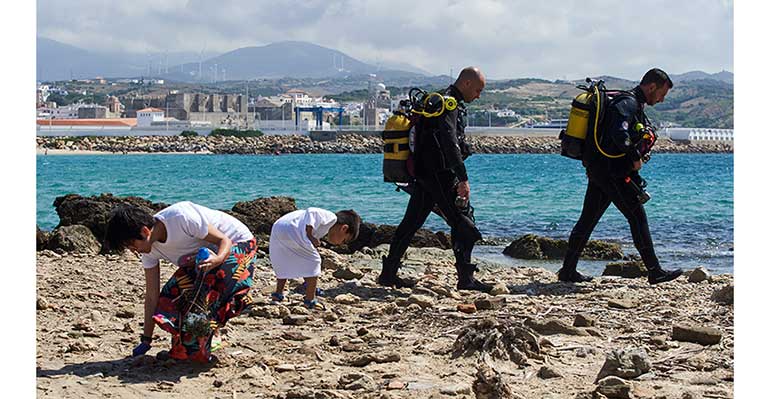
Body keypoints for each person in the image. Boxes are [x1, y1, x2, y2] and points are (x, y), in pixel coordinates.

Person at [558, 68, 683, 285]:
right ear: (651, 86)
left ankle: (568, 270)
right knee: (637, 218)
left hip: (600, 170)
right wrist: (635, 157)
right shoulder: (628, 103)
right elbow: (619, 134)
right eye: (662, 94)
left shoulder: (631, 103)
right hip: (613, 172)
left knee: (587, 220)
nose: (662, 100)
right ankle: (654, 271)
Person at [378, 66, 493, 292]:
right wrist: (462, 178)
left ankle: (388, 274)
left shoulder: (437, 100)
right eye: (478, 90)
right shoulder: (448, 104)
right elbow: (450, 143)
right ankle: (466, 279)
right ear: (467, 83)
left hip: (424, 174)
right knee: (464, 223)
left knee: (411, 223)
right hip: (439, 174)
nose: (478, 95)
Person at [104, 201, 258, 362]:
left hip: (238, 243)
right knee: (172, 292)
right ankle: (194, 343)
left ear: (144, 231)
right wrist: (146, 340)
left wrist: (218, 259)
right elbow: (152, 296)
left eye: (131, 245)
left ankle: (212, 334)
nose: (132, 250)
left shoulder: (181, 217)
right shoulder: (148, 250)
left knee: (210, 288)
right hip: (204, 261)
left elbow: (223, 241)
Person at [269, 208, 360, 308]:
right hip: (294, 229)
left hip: (279, 228)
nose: (340, 244)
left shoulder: (323, 227)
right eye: (344, 240)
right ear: (344, 228)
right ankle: (310, 299)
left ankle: (278, 294)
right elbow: (312, 211)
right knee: (314, 261)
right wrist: (309, 235)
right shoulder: (331, 217)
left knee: (285, 261)